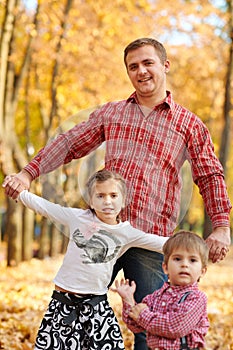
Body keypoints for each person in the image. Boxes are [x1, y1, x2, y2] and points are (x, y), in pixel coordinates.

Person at [2, 37, 231, 349]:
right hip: (102, 233)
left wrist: (221, 226)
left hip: (150, 238)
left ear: (165, 65)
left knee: (150, 330)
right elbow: (70, 142)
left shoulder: (188, 124)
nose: (141, 71)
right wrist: (29, 172)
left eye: (148, 63)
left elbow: (209, 174)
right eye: (133, 66)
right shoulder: (111, 113)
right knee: (71, 318)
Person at [15, 169, 168, 350]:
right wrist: (19, 192)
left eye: (113, 195)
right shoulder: (78, 218)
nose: (107, 202)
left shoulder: (126, 233)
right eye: (100, 196)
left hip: (97, 306)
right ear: (91, 201)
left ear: (124, 200)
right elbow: (46, 208)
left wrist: (200, 246)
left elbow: (161, 243)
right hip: (64, 303)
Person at [112, 231, 209, 350]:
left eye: (192, 260)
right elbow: (136, 326)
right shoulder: (155, 296)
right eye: (177, 259)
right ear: (165, 267)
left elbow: (175, 327)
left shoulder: (196, 298)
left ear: (202, 271)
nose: (184, 264)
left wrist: (142, 315)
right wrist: (129, 300)